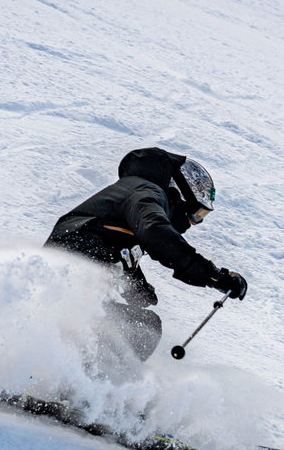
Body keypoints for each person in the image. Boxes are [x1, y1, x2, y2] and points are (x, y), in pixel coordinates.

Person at [44, 147, 248, 361]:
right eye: (198, 213)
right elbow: (156, 232)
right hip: (66, 286)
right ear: (180, 193)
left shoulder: (134, 196)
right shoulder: (145, 192)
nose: (193, 222)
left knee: (134, 323)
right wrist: (214, 276)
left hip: (67, 289)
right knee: (143, 327)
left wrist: (138, 289)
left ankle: (70, 383)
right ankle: (89, 387)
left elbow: (117, 249)